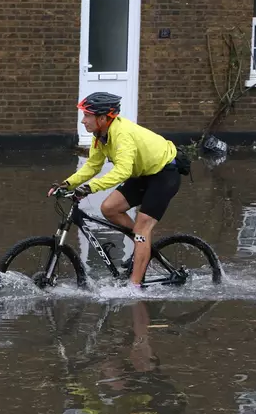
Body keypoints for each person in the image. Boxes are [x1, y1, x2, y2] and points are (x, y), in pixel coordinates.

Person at [48, 92, 182, 287]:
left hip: (164, 174)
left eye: (87, 115)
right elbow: (92, 165)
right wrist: (67, 184)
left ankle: (134, 287)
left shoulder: (122, 134)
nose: (83, 121)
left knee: (142, 229)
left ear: (102, 118)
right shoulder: (100, 136)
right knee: (109, 208)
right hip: (143, 173)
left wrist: (90, 187)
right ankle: (141, 246)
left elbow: (122, 171)